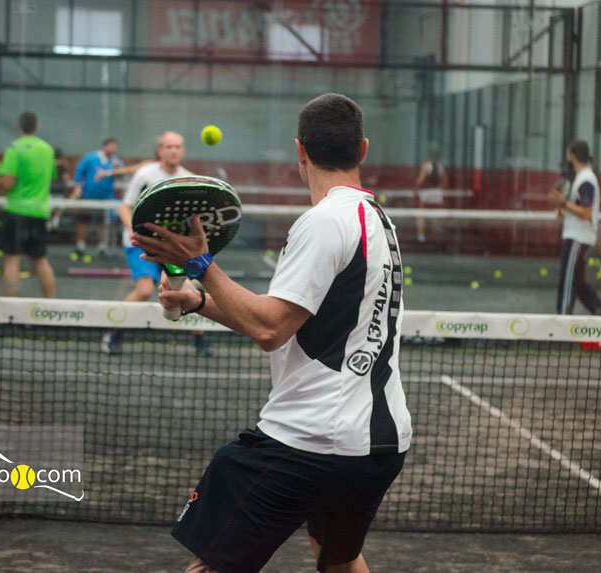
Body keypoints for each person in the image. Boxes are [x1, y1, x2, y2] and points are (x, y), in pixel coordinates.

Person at [132, 93, 411, 573]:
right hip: (379, 447)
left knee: (213, 565)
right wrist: (198, 301)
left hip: (312, 439)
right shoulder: (377, 221)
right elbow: (290, 318)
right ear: (362, 150)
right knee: (337, 558)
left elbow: (269, 328)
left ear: (300, 152)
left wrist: (200, 265)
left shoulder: (324, 222)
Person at [102, 131, 212, 357]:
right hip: (140, 245)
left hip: (171, 247)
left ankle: (200, 339)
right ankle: (113, 334)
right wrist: (134, 231)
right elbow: (125, 207)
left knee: (183, 291)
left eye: (178, 147)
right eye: (169, 147)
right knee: (144, 290)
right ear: (160, 150)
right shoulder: (144, 175)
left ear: (182, 151)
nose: (173, 150)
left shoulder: (188, 179)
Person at [0, 111, 57, 298]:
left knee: (12, 261)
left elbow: (7, 183)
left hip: (16, 213)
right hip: (39, 213)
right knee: (40, 261)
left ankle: (10, 311)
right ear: (36, 126)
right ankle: (52, 307)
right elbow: (50, 178)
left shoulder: (14, 148)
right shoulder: (47, 150)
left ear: (18, 126)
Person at [548, 140, 601, 316]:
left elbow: (586, 212)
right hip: (574, 235)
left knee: (567, 281)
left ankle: (563, 320)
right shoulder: (578, 179)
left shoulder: (586, 180)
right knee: (579, 284)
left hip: (579, 237)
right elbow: (573, 208)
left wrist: (563, 203)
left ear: (572, 156)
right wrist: (561, 207)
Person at [70, 138, 124, 256]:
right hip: (88, 195)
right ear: (104, 146)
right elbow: (79, 170)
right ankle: (81, 245)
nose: (113, 149)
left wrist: (117, 169)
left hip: (105, 196)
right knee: (83, 220)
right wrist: (77, 186)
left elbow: (122, 173)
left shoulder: (115, 161)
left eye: (115, 147)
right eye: (111, 146)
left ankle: (102, 246)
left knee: (102, 222)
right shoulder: (90, 158)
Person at [414, 150, 447, 243]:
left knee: (421, 214)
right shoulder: (441, 167)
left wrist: (416, 187)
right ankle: (434, 237)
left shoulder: (426, 166)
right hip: (437, 193)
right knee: (435, 216)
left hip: (427, 192)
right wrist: (441, 192)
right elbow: (445, 181)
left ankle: (421, 236)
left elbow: (421, 180)